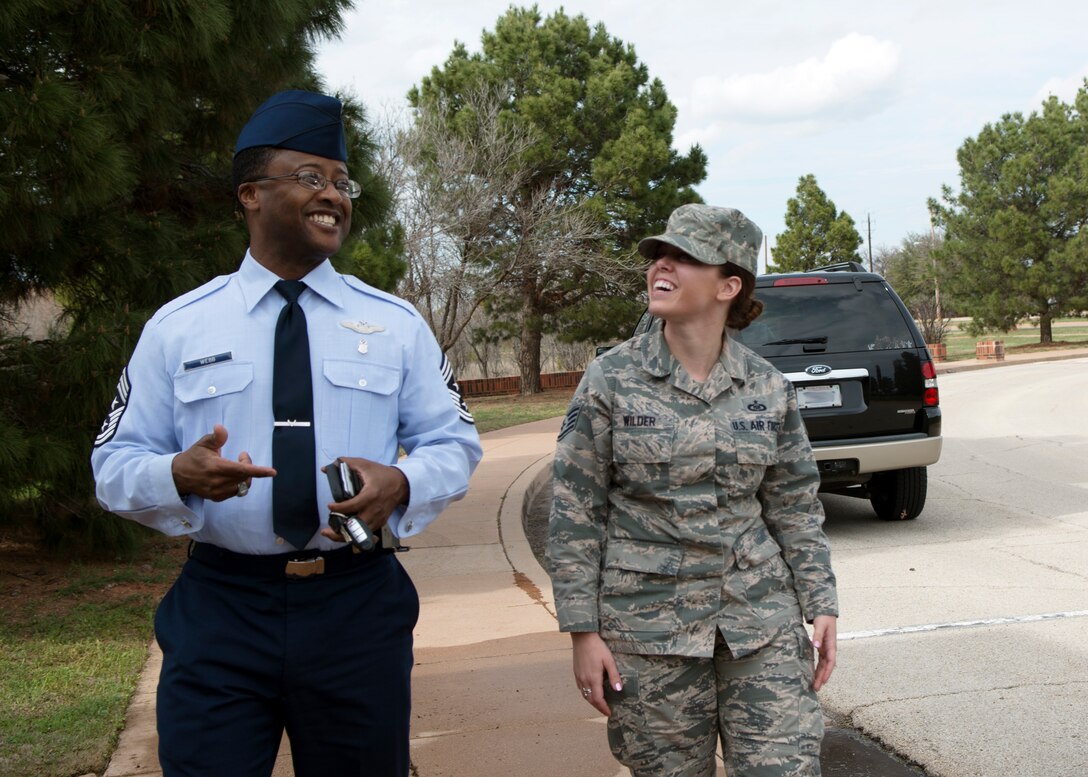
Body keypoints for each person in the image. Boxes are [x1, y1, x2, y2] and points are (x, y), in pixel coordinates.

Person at [91, 89, 483, 777]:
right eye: (310, 177)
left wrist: (402, 481)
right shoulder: (179, 326)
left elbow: (455, 442)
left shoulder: (394, 324)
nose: (333, 194)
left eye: (341, 181)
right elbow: (112, 461)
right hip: (221, 609)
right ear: (250, 193)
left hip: (356, 607)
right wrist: (175, 475)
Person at [547, 204, 838, 777]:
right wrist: (582, 631)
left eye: (685, 257)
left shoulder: (767, 387)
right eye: (660, 254)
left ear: (729, 284)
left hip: (760, 621)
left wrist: (821, 600)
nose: (663, 265)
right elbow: (576, 511)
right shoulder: (612, 378)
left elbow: (795, 505)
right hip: (651, 632)